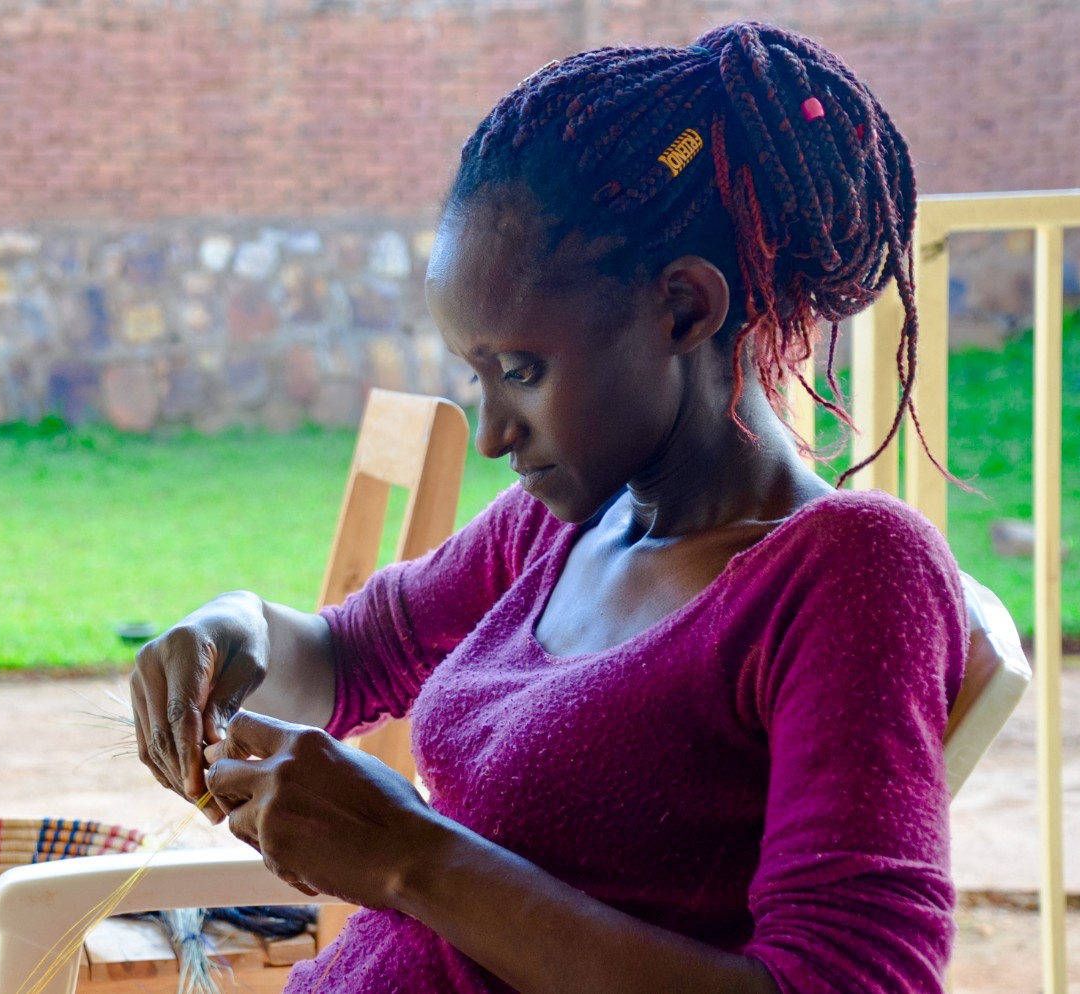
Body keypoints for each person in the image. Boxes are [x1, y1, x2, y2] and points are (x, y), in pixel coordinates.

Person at [129, 21, 967, 994]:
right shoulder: (566, 522)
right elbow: (348, 657)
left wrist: (412, 859)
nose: (491, 432)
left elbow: (851, 984)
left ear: (686, 308)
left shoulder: (848, 571)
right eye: (477, 372)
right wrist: (234, 628)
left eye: (522, 371)